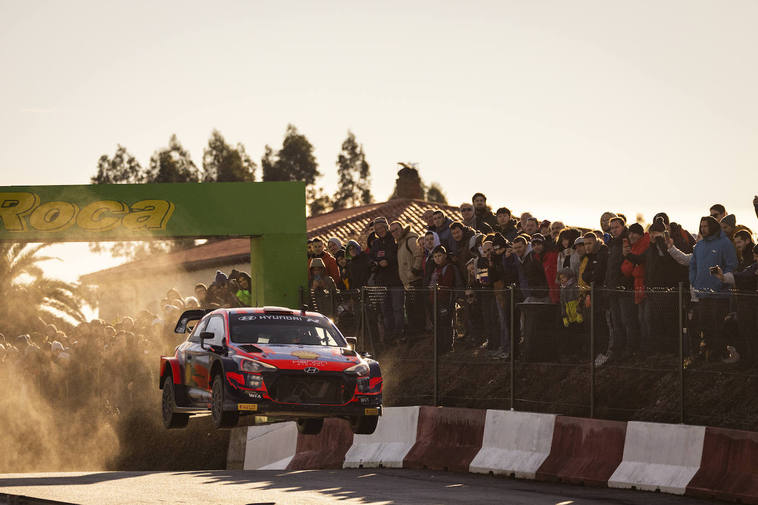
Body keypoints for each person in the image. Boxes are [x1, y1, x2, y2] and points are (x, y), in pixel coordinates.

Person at [690, 216, 738, 361]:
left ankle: (720, 355)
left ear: (712, 227)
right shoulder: (699, 246)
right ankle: (707, 354)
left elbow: (732, 265)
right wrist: (694, 281)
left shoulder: (724, 243)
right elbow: (693, 265)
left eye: (706, 226)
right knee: (705, 326)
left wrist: (722, 281)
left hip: (720, 295)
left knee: (719, 326)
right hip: (703, 294)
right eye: (701, 226)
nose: (703, 229)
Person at [371, 217, 404, 343]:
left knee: (397, 308)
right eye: (377, 229)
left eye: (381, 227)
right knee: (386, 310)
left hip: (396, 280)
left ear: (386, 227)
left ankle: (399, 333)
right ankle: (389, 336)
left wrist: (387, 261)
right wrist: (378, 263)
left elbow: (397, 256)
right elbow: (371, 259)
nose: (380, 230)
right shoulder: (375, 244)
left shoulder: (395, 240)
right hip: (381, 282)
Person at [390, 221, 424, 336]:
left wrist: (414, 271)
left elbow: (419, 254)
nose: (395, 232)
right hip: (408, 283)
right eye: (392, 231)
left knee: (416, 310)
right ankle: (414, 336)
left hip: (415, 281)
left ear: (402, 228)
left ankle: (419, 335)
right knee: (410, 311)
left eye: (396, 229)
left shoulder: (410, 240)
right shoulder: (400, 243)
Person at [428, 245, 456, 353]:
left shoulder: (448, 268)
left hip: (444, 301)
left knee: (446, 324)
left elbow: (447, 285)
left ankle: (448, 347)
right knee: (437, 324)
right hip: (434, 300)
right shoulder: (435, 269)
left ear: (444, 255)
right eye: (435, 256)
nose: (438, 258)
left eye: (439, 255)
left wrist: (438, 290)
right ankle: (439, 347)